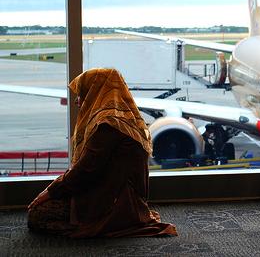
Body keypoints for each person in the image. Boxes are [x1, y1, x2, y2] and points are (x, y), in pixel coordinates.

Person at [27, 68, 177, 238]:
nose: (77, 101)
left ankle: (95, 228)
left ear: (95, 93)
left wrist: (50, 191)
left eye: (82, 94)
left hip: (111, 201)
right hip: (121, 195)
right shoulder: (125, 118)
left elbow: (85, 170)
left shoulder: (108, 125)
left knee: (38, 215)